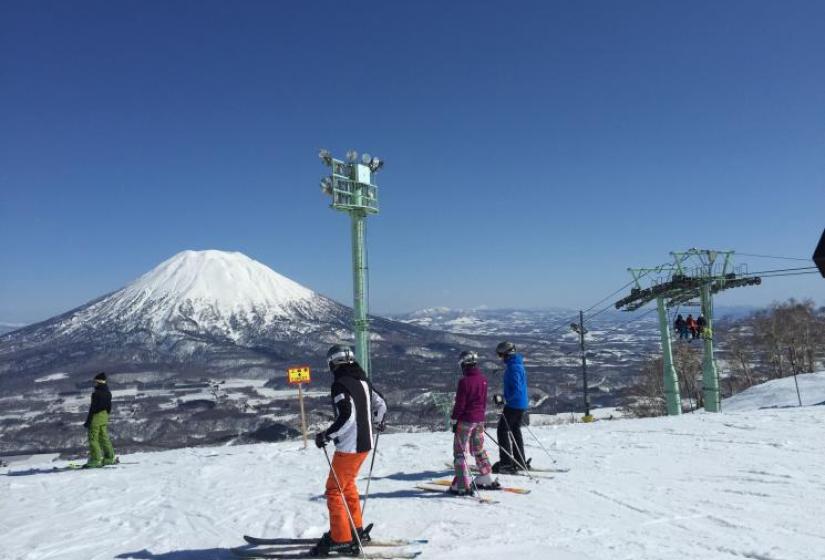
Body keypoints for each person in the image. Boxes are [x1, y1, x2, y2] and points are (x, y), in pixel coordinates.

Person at [311, 345, 387, 557]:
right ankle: (356, 529)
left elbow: (347, 417)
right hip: (365, 444)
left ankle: (341, 538)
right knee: (347, 485)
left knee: (334, 490)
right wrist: (379, 423)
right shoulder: (362, 380)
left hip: (349, 447)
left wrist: (326, 435)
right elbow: (381, 405)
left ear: (333, 364)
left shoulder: (340, 385)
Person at [449, 351, 498, 495]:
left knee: (460, 452)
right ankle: (485, 475)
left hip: (465, 420)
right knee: (478, 448)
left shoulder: (464, 382)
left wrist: (454, 419)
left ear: (464, 364)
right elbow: (483, 402)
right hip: (479, 419)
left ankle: (461, 485)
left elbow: (460, 404)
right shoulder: (483, 379)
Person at [491, 341, 529, 474]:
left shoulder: (513, 368)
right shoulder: (517, 364)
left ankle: (506, 464)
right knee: (514, 430)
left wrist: (504, 399)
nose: (501, 358)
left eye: (501, 355)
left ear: (507, 354)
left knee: (502, 430)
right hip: (520, 403)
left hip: (513, 404)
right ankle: (520, 461)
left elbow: (516, 389)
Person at [83, 372, 116, 468]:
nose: (94, 384)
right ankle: (109, 458)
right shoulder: (108, 393)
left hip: (96, 418)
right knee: (104, 437)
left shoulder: (96, 394)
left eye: (95, 382)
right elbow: (109, 407)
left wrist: (88, 421)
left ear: (98, 382)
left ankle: (96, 459)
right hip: (104, 417)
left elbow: (92, 409)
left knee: (93, 439)